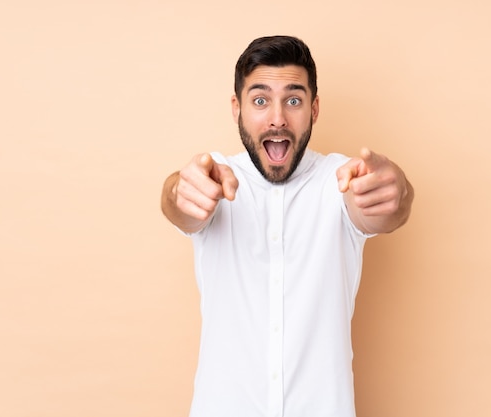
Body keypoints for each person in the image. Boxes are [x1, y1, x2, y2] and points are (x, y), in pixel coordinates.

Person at [161, 35, 414, 417]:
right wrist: (180, 190)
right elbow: (179, 201)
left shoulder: (340, 180)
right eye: (260, 100)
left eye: (293, 100)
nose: (277, 117)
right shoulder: (215, 177)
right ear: (237, 109)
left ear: (313, 109)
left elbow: (385, 210)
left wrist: (398, 192)